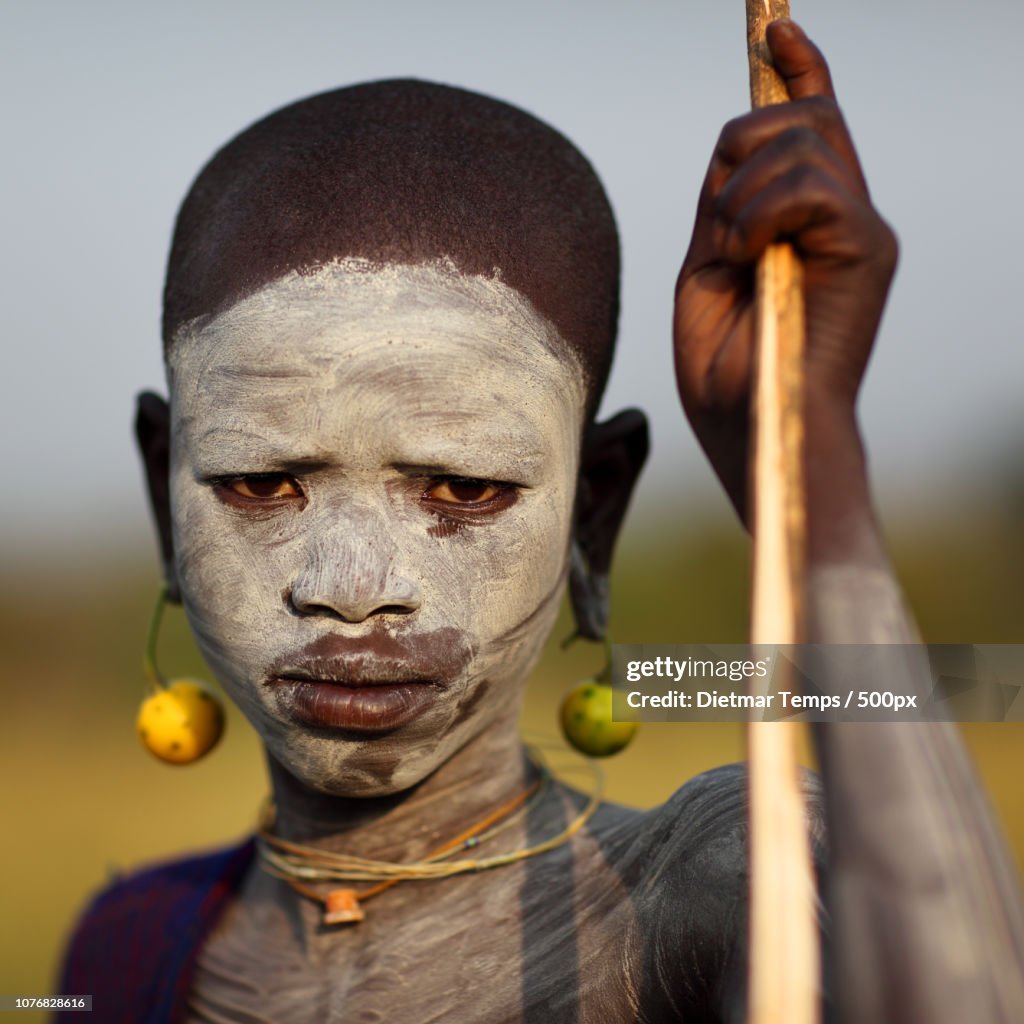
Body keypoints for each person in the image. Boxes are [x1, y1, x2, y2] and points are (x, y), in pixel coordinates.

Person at [56, 19, 1024, 1024]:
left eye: (464, 490)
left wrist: (805, 466)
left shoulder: (701, 896)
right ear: (162, 489)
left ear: (591, 510)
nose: (348, 585)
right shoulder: (119, 948)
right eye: (260, 483)